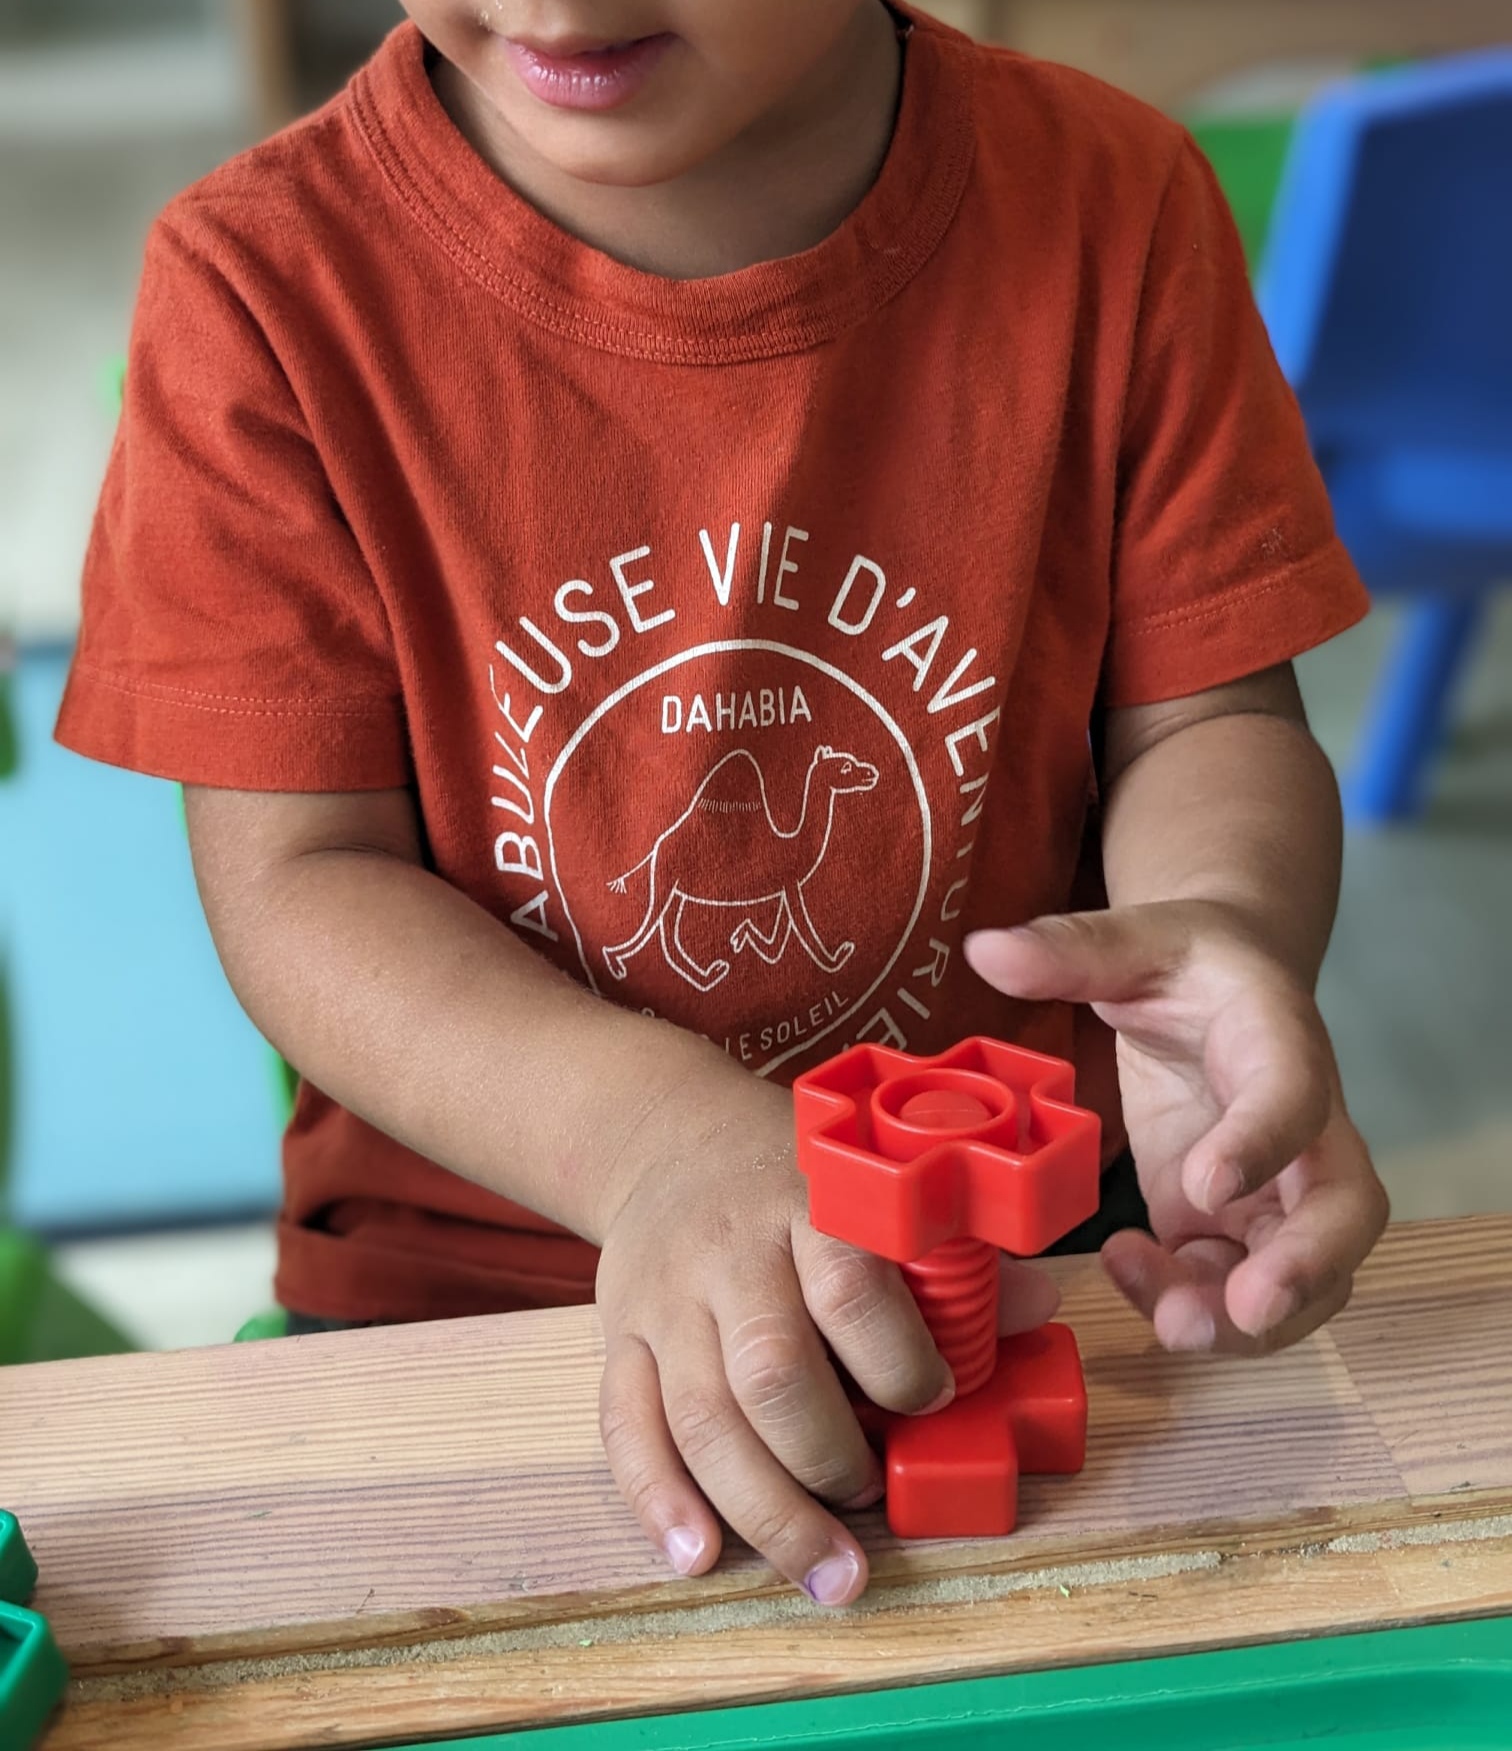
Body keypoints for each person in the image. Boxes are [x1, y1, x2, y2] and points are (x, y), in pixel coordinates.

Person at [56, 0, 1388, 1608]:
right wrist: (653, 1151)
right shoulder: (261, 289)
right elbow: (298, 880)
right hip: (476, 1293)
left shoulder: (1117, 205)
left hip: (1034, 1242)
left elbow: (1208, 723)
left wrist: (1215, 935)